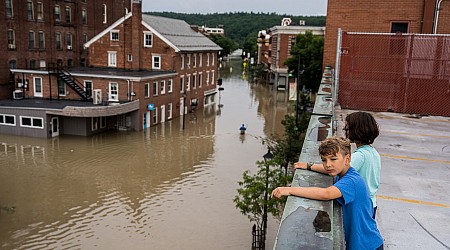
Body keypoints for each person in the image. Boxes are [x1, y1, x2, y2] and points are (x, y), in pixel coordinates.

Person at [272, 137, 383, 250]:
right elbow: (329, 170)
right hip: (362, 242)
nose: (328, 164)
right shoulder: (343, 174)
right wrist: (308, 166)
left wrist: (289, 190)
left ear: (347, 159)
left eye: (333, 159)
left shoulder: (352, 181)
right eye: (324, 160)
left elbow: (326, 194)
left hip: (367, 244)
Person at [294, 111, 381, 218]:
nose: (345, 131)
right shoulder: (373, 152)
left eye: (347, 129)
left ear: (356, 130)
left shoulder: (360, 155)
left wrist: (309, 166)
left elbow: (335, 169)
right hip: (371, 202)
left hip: (361, 205)